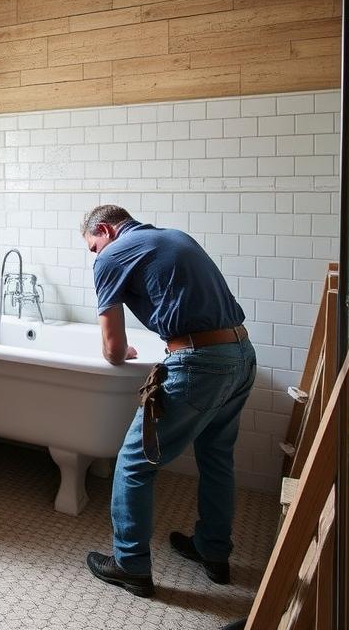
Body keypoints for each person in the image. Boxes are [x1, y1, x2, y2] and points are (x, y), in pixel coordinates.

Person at [80, 205, 256, 598]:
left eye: (93, 246)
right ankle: (213, 552)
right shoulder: (175, 236)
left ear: (104, 230)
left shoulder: (111, 256)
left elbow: (112, 349)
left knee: (134, 461)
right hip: (241, 354)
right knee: (216, 456)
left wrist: (120, 352)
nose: (95, 255)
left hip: (200, 363)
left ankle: (130, 564)